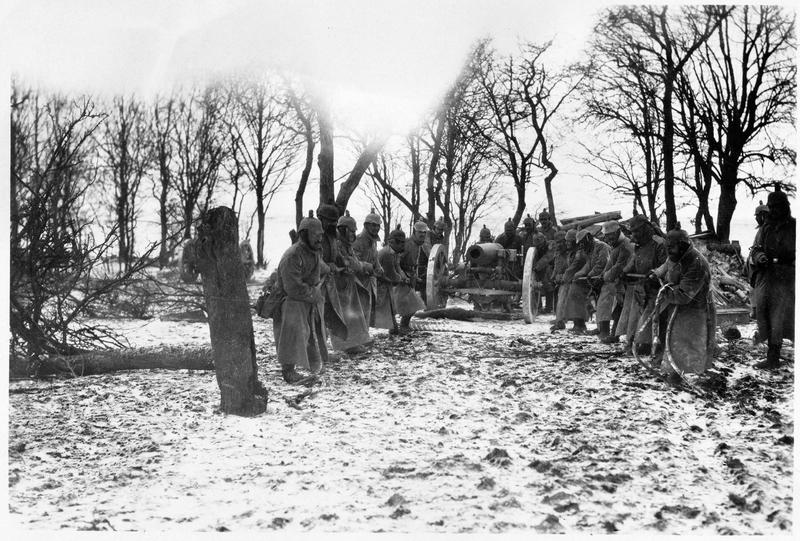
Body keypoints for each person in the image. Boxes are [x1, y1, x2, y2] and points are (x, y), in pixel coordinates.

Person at [650, 229, 715, 378]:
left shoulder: (696, 263)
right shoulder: (675, 255)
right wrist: (654, 274)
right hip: (677, 307)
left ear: (683, 245)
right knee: (674, 340)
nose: (669, 252)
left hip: (695, 310)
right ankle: (674, 371)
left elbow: (683, 296)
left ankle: (690, 376)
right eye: (667, 247)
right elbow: (665, 267)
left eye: (671, 248)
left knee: (689, 344)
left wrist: (663, 290)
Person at [272, 214, 328, 384]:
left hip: (306, 299)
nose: (320, 239)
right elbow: (293, 288)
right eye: (315, 235)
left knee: (311, 331)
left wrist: (328, 270)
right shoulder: (293, 255)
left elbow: (319, 269)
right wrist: (314, 294)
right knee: (294, 331)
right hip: (289, 301)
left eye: (321, 235)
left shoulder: (314, 252)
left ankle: (314, 362)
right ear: (304, 235)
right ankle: (288, 370)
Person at [749, 188, 795, 369]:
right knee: (767, 316)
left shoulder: (794, 227)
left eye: (777, 206)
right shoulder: (765, 229)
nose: (774, 210)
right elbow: (755, 249)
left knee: (782, 317)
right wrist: (759, 256)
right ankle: (772, 357)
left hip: (787, 279)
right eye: (771, 207)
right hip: (767, 277)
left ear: (784, 207)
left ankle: (776, 357)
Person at [616, 215, 667, 353]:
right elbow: (634, 261)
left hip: (656, 288)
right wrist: (625, 272)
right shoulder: (639, 244)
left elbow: (666, 266)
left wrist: (654, 275)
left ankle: (645, 345)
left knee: (649, 317)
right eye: (633, 232)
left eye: (637, 231)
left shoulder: (659, 244)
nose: (634, 234)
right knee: (634, 318)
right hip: (641, 286)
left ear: (645, 229)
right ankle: (633, 343)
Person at [330, 212, 372, 354]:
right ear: (344, 230)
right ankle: (344, 345)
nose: (354, 234)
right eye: (351, 231)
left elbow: (353, 262)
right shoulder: (337, 245)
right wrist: (365, 266)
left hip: (348, 284)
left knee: (353, 315)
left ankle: (354, 343)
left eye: (354, 231)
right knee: (341, 316)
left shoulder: (347, 245)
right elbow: (349, 263)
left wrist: (360, 265)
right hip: (338, 285)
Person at [377, 227, 424, 332]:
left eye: (403, 242)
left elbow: (397, 267)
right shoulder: (387, 254)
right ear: (392, 242)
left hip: (388, 284)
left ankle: (397, 328)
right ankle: (398, 328)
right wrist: (403, 279)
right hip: (380, 285)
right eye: (400, 243)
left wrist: (404, 277)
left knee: (399, 307)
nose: (403, 245)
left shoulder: (395, 253)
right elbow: (391, 273)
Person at [316, 204, 348, 344]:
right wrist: (328, 266)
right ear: (321, 219)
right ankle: (320, 349)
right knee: (318, 316)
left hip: (329, 282)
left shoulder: (332, 235)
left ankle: (338, 344)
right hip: (316, 282)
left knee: (332, 314)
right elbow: (314, 259)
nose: (334, 224)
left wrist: (343, 262)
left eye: (335, 221)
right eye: (330, 221)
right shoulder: (314, 235)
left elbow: (336, 252)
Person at [567, 229, 610, 334]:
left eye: (582, 243)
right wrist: (579, 274)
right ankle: (582, 324)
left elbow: (602, 263)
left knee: (602, 304)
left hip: (606, 279)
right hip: (596, 278)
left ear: (588, 238)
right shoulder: (590, 248)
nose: (581, 246)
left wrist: (590, 274)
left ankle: (603, 330)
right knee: (576, 291)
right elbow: (589, 264)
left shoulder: (601, 246)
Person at [597, 221, 634, 343]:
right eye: (606, 236)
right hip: (621, 283)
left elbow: (618, 266)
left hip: (629, 283)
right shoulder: (617, 245)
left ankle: (619, 336)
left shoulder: (625, 245)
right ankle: (615, 335)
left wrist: (605, 276)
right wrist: (603, 274)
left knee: (626, 311)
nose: (608, 239)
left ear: (618, 232)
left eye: (610, 235)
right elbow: (611, 263)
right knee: (619, 309)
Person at [352, 209, 384, 327]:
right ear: (366, 225)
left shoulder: (374, 241)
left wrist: (379, 267)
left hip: (370, 283)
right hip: (358, 283)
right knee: (358, 311)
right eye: (373, 225)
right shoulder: (357, 241)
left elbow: (375, 257)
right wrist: (370, 267)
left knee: (368, 311)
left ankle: (365, 334)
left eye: (378, 226)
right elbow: (354, 263)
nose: (376, 228)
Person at [401, 221, 431, 303]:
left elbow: (414, 264)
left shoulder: (418, 245)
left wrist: (416, 276)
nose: (423, 234)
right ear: (414, 232)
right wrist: (402, 275)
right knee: (404, 303)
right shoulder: (407, 244)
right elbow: (396, 261)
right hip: (403, 278)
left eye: (424, 232)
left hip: (412, 277)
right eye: (420, 232)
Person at [529, 233, 556, 313]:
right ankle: (538, 306)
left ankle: (549, 308)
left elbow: (548, 257)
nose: (539, 246)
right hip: (539, 269)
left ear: (544, 239)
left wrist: (536, 267)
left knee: (548, 286)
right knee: (536, 286)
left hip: (551, 268)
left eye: (540, 244)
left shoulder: (551, 245)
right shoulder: (535, 248)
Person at [549, 230, 569, 323]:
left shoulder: (570, 253)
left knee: (563, 294)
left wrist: (562, 276)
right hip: (559, 278)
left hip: (568, 279)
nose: (559, 244)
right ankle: (559, 316)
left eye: (561, 242)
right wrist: (553, 276)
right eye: (557, 242)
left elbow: (571, 267)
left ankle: (561, 319)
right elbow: (556, 266)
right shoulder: (557, 252)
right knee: (557, 295)